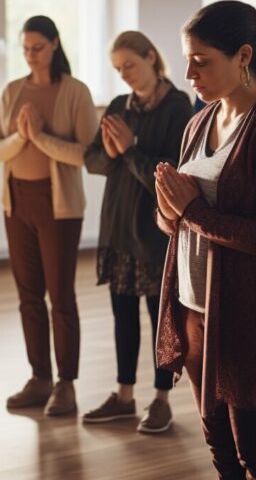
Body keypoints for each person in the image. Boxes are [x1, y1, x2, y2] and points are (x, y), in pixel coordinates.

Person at [154, 0, 256, 479]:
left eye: (201, 60)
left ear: (242, 56)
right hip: (193, 305)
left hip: (245, 313)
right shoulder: (199, 122)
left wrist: (191, 212)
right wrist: (169, 210)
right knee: (217, 443)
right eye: (186, 59)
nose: (189, 72)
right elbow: (178, 223)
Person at [0, 15, 97, 417]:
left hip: (59, 207)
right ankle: (39, 377)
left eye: (38, 47)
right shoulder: (13, 91)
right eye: (25, 48)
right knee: (28, 296)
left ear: (54, 45)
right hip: (17, 203)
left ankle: (66, 383)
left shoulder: (75, 92)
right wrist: (19, 137)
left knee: (60, 296)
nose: (31, 55)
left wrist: (40, 138)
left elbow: (88, 154)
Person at [81, 31, 192, 432]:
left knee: (159, 320)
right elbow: (91, 159)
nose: (124, 74)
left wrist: (130, 148)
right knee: (122, 315)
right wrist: (114, 153)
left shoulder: (179, 106)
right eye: (117, 68)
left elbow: (169, 174)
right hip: (117, 229)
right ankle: (124, 396)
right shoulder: (116, 106)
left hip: (154, 234)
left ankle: (161, 400)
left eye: (129, 64)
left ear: (150, 57)